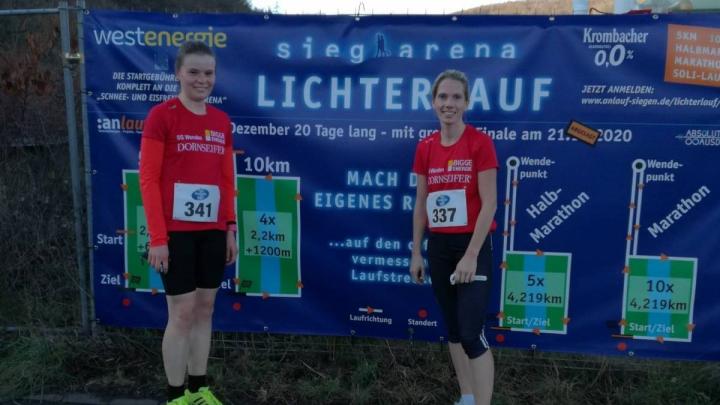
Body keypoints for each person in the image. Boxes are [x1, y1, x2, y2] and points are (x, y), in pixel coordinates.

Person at [139, 41, 237, 405]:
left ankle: (199, 389)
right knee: (181, 314)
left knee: (205, 309)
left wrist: (230, 227)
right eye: (194, 71)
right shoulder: (161, 116)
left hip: (212, 232)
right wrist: (158, 238)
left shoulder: (221, 122)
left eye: (208, 73)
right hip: (175, 234)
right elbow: (148, 179)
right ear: (178, 73)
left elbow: (226, 180)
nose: (202, 79)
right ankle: (176, 395)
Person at [409, 69, 498, 405]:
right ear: (433, 102)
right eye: (443, 97)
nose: (449, 103)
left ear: (466, 102)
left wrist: (472, 254)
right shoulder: (425, 147)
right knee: (455, 331)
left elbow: (490, 203)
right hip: (440, 248)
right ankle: (467, 397)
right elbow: (421, 204)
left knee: (472, 333)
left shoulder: (479, 143)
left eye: (456, 97)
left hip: (472, 245)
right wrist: (416, 252)